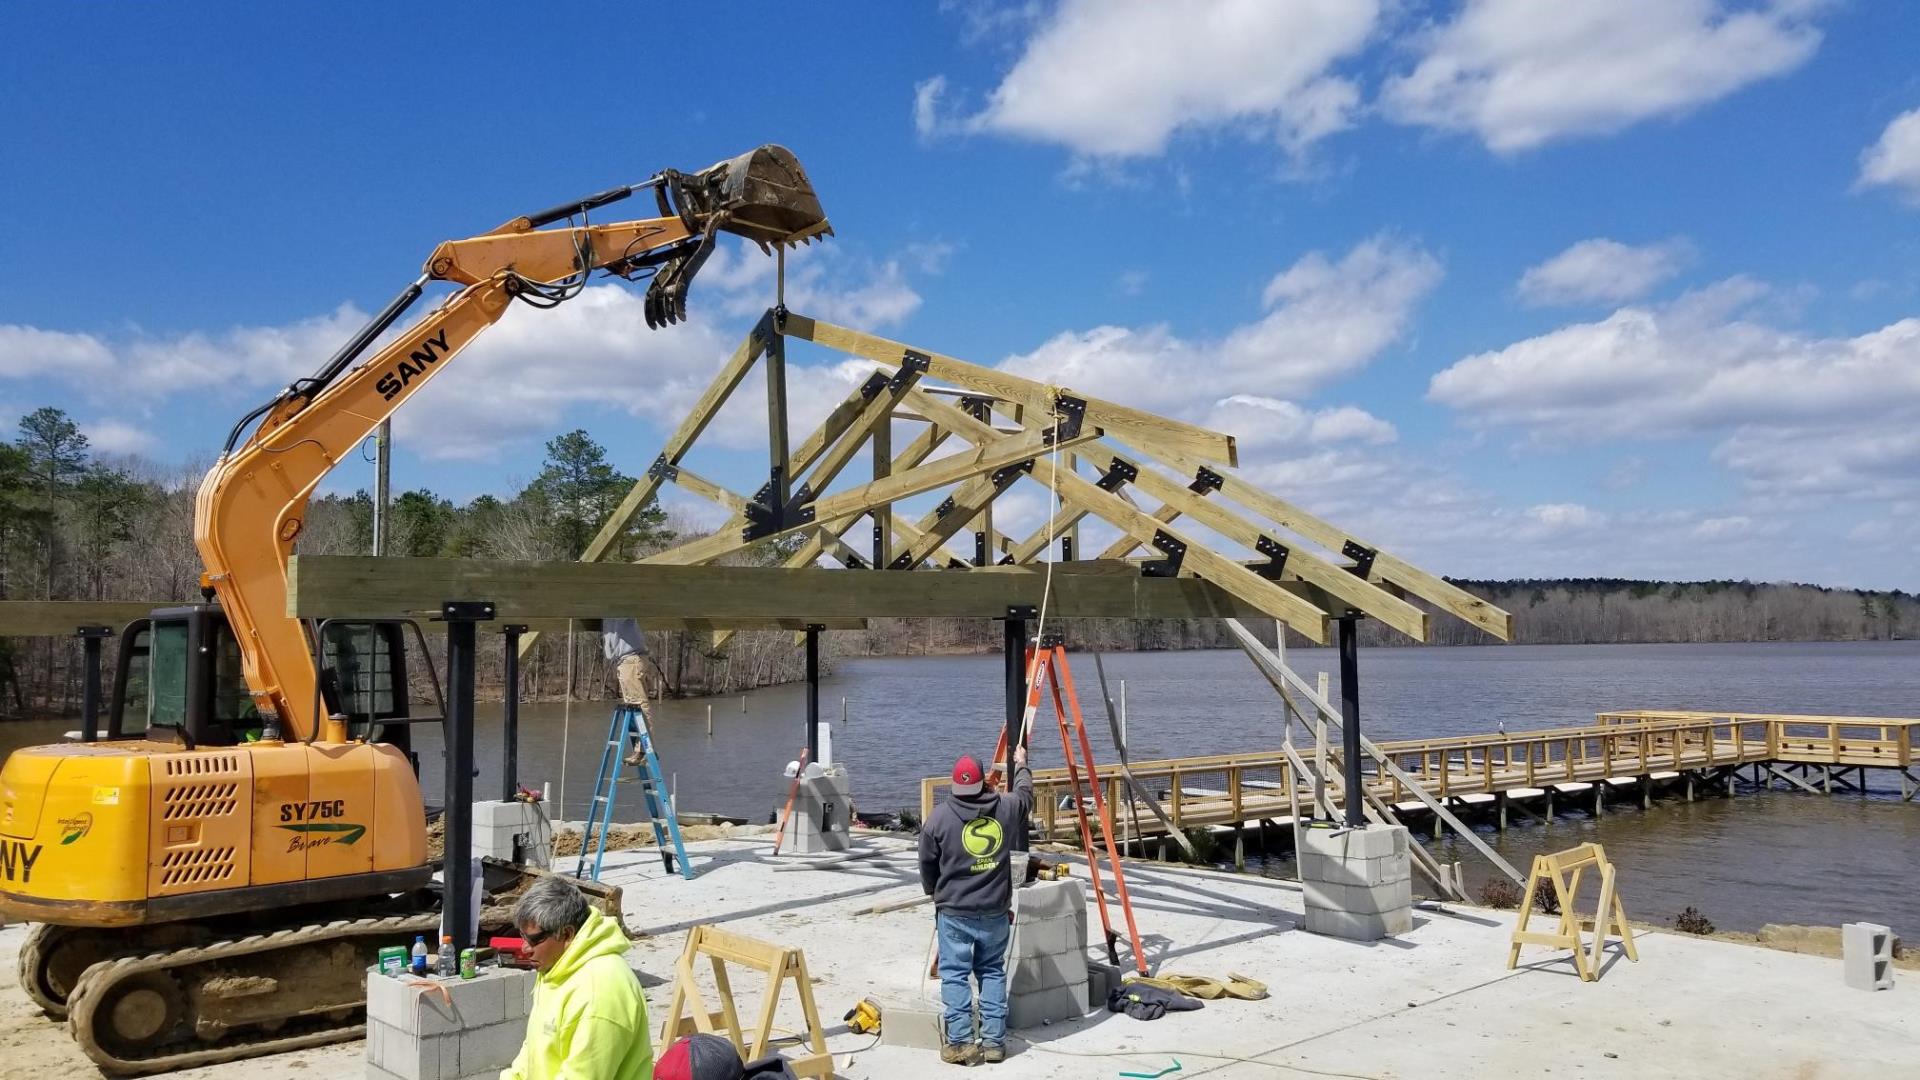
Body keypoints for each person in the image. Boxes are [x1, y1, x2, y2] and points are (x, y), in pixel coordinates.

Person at [918, 743, 1034, 1066]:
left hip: (954, 913)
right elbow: (1025, 796)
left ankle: (960, 1042)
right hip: (995, 911)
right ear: (984, 781)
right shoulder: (1005, 808)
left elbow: (927, 863)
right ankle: (995, 1043)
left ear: (955, 786)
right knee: (992, 971)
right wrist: (1022, 764)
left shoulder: (939, 819)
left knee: (954, 975)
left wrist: (933, 891)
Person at [501, 875, 652, 1080]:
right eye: (522, 937)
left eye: (534, 940)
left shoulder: (601, 992)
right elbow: (533, 1050)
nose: (524, 948)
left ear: (567, 934)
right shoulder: (557, 968)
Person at [603, 618, 651, 707]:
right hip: (627, 660)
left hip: (631, 658)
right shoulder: (607, 616)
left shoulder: (619, 611)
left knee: (637, 702)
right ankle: (641, 720)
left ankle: (644, 721)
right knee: (634, 702)